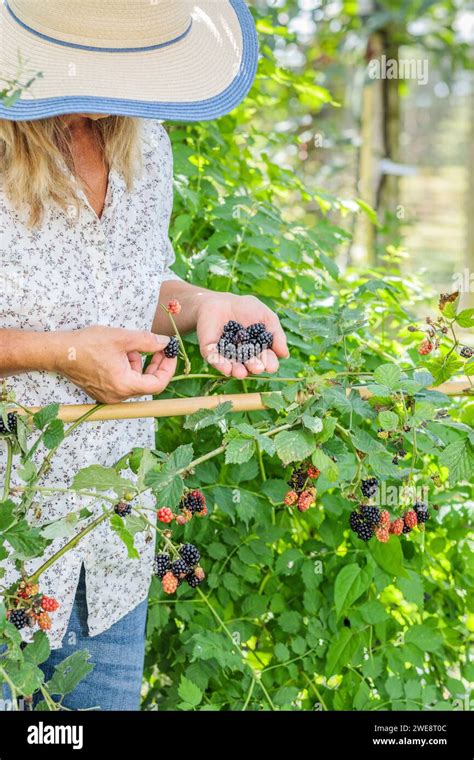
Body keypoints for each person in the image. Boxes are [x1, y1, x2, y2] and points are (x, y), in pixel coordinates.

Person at [0, 1, 288, 710]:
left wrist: (202, 308)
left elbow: (141, 284)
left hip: (111, 539)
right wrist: (61, 354)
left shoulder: (145, 141)